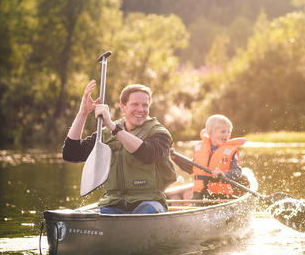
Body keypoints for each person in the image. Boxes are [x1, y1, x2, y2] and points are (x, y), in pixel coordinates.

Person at [62, 80, 177, 214]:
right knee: (90, 217)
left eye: (145, 105)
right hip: (114, 202)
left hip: (149, 200)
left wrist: (113, 127)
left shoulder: (159, 133)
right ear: (123, 106)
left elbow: (147, 154)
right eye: (135, 104)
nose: (141, 109)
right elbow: (71, 153)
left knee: (146, 211)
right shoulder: (105, 133)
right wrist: (83, 113)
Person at [171, 114, 246, 199]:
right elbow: (191, 168)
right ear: (210, 133)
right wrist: (176, 159)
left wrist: (224, 174)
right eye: (223, 131)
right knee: (194, 207)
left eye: (228, 132)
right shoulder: (201, 149)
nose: (226, 135)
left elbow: (237, 173)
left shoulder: (231, 152)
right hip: (199, 194)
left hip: (220, 196)